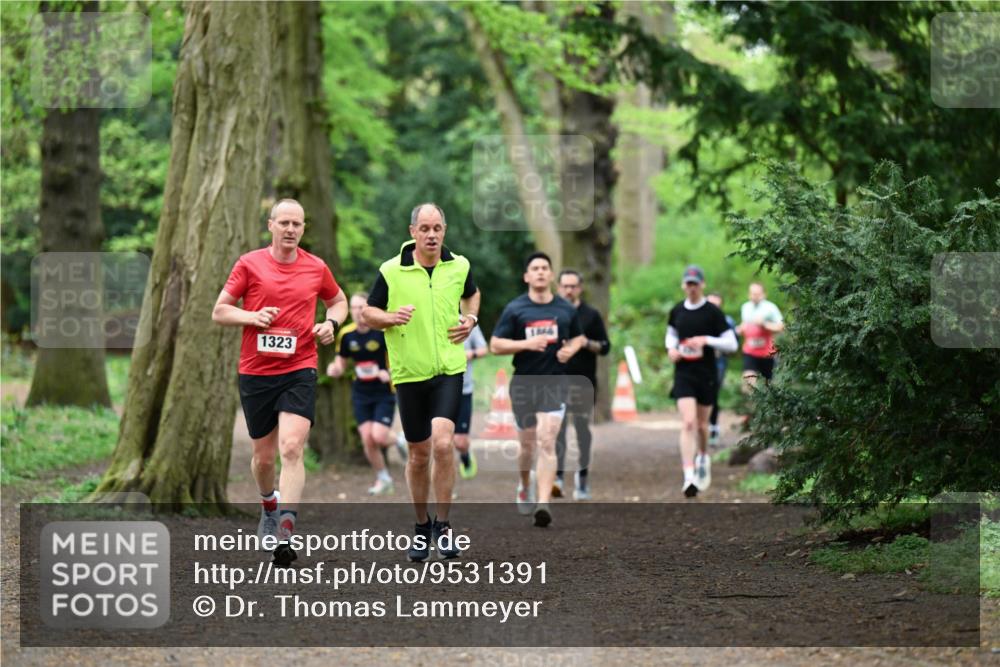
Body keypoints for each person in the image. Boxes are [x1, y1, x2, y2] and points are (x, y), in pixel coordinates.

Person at [212, 198, 348, 567]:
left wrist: (330, 324)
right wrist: (253, 316)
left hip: (300, 367)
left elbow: (338, 301)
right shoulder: (249, 263)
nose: (291, 229)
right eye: (284, 222)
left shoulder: (316, 267)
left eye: (297, 224)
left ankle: (286, 531)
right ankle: (268, 504)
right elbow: (220, 310)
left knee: (291, 447)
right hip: (256, 371)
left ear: (304, 229)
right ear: (271, 225)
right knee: (263, 457)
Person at [362, 203, 480, 562]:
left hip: (449, 368)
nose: (432, 235)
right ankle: (420, 526)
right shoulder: (391, 270)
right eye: (425, 228)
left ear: (444, 230)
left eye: (438, 228)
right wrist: (389, 318)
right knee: (418, 455)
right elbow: (368, 311)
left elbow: (472, 294)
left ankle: (443, 526)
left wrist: (471, 318)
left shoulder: (459, 265)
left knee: (443, 445)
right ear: (412, 231)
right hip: (410, 373)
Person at [490, 252, 586, 527]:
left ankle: (543, 503)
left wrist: (572, 348)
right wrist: (525, 345)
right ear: (527, 276)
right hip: (524, 382)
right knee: (527, 445)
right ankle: (523, 483)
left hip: (554, 381)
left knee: (547, 439)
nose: (541, 272)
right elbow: (495, 345)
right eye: (535, 268)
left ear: (551, 274)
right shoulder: (515, 309)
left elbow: (579, 337)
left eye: (545, 268)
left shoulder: (565, 309)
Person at [665, 266, 738, 498]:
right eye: (688, 283)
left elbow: (732, 344)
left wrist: (706, 340)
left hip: (706, 373)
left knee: (701, 426)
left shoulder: (712, 313)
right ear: (683, 285)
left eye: (695, 283)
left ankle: (703, 455)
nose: (692, 287)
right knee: (687, 423)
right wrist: (671, 349)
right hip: (683, 373)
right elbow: (671, 335)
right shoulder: (677, 310)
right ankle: (689, 477)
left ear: (702, 285)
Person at [327, 292, 407, 496]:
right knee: (367, 439)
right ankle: (384, 478)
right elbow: (341, 362)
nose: (357, 312)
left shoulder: (382, 332)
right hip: (361, 392)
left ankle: (399, 440)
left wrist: (386, 373)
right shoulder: (346, 335)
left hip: (383, 392)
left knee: (378, 435)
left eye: (361, 307)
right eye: (353, 308)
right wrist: (335, 369)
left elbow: (401, 362)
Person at [554, 269, 610, 501]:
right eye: (565, 286)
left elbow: (606, 347)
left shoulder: (591, 315)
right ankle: (556, 477)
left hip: (583, 381)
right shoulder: (551, 313)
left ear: (580, 288)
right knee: (556, 430)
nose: (568, 290)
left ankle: (582, 477)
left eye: (573, 286)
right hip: (556, 380)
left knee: (581, 430)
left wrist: (586, 342)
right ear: (558, 288)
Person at [454, 324, 488, 483]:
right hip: (436, 390)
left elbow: (483, 349)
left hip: (463, 389)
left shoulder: (468, 323)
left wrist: (469, 354)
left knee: (460, 442)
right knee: (441, 440)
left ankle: (465, 455)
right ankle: (444, 486)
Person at [737, 282, 784, 391]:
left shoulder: (770, 307)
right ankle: (751, 404)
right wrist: (740, 329)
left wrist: (765, 324)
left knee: (769, 386)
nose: (754, 296)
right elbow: (745, 325)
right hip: (750, 351)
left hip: (767, 353)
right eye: (752, 293)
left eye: (757, 294)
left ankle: (766, 405)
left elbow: (781, 327)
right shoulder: (745, 307)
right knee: (748, 383)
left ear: (763, 294)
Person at [706, 292, 738, 447]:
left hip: (718, 363)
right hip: (698, 363)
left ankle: (713, 427)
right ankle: (702, 427)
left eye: (716, 305)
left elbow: (733, 346)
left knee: (712, 393)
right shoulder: (698, 319)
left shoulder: (727, 321)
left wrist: (718, 348)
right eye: (710, 304)